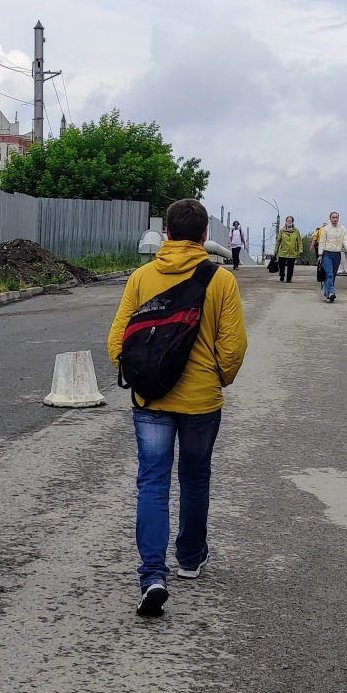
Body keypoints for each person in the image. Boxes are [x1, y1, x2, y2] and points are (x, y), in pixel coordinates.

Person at [108, 198, 248, 618]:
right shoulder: (221, 280)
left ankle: (153, 574)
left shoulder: (141, 277)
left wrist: (141, 376)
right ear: (205, 236)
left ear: (166, 233)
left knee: (152, 482)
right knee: (195, 477)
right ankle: (189, 557)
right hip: (202, 401)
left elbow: (117, 340)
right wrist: (217, 378)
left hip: (151, 398)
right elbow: (233, 347)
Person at [318, 211, 347, 303]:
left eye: (336, 217)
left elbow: (345, 239)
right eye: (333, 217)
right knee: (329, 274)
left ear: (338, 218)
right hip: (327, 253)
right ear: (330, 218)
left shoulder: (342, 229)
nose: (335, 219)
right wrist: (320, 254)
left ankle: (327, 293)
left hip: (337, 254)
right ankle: (331, 293)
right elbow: (322, 241)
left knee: (333, 274)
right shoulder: (326, 229)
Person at [275, 217, 302, 281]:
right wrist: (276, 250)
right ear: (286, 221)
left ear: (292, 222)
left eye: (290, 221)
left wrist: (300, 250)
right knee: (281, 265)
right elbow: (278, 241)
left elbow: (299, 241)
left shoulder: (296, 231)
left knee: (291, 266)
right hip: (283, 251)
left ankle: (289, 279)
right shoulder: (282, 231)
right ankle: (282, 275)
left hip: (292, 252)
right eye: (288, 221)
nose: (289, 222)